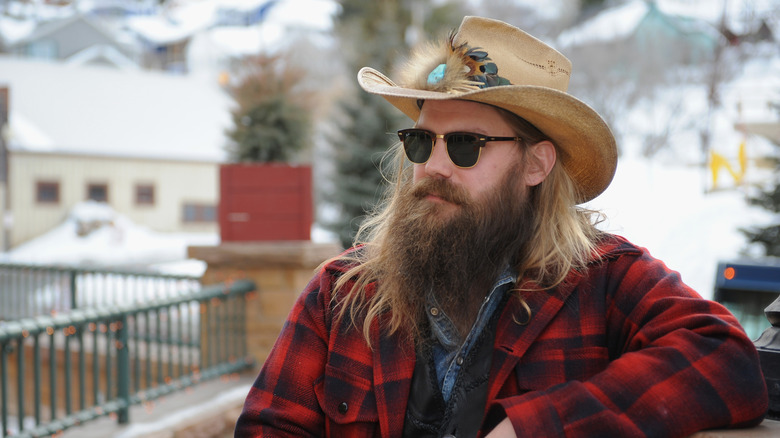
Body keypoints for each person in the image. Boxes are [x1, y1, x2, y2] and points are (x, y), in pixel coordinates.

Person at [234, 16, 768, 437]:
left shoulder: (604, 281)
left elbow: (729, 360)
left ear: (536, 164)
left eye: (467, 145)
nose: (434, 167)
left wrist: (533, 427)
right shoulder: (342, 295)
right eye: (422, 142)